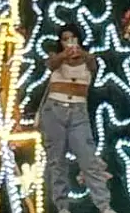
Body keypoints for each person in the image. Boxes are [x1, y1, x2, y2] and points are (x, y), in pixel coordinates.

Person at [39, 23, 113, 213]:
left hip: (78, 112)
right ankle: (62, 207)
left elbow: (94, 65)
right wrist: (64, 55)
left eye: (73, 38)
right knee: (57, 161)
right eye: (65, 39)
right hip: (54, 110)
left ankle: (104, 206)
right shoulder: (56, 58)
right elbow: (50, 65)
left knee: (89, 159)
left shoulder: (88, 59)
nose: (69, 43)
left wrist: (82, 53)